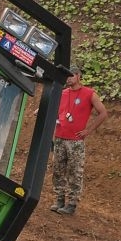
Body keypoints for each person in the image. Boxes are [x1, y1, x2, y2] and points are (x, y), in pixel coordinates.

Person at [50, 64, 108, 215]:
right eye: (66, 77)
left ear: (78, 76)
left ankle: (72, 203)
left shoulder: (89, 94)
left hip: (75, 141)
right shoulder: (62, 94)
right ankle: (59, 200)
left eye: (71, 76)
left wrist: (88, 130)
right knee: (58, 170)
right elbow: (56, 113)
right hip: (60, 137)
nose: (68, 79)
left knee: (75, 171)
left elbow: (103, 113)